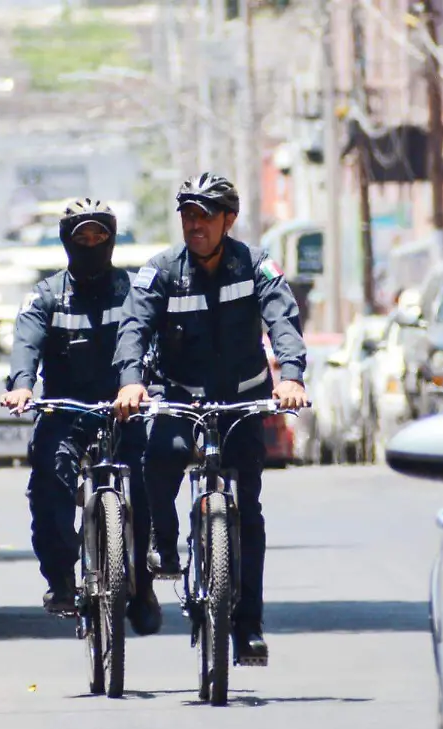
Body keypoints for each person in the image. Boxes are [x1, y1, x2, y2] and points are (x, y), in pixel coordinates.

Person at [111, 172, 310, 663]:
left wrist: (292, 377)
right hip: (180, 395)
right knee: (162, 457)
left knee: (249, 509)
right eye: (188, 215)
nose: (195, 225)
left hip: (242, 400)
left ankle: (249, 626)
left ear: (230, 220)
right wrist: (131, 381)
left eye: (205, 216)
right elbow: (134, 327)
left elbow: (283, 321)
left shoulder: (256, 266)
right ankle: (164, 540)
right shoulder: (160, 271)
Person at [0, 198, 161, 635]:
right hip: (65, 411)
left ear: (111, 239)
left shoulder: (134, 291)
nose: (90, 245)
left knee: (149, 478)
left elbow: (153, 341)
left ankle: (143, 585)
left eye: (99, 236)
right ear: (67, 242)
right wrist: (21, 385)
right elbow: (26, 343)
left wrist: (152, 386)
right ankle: (61, 579)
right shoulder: (46, 294)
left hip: (125, 407)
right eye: (81, 238)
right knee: (48, 480)